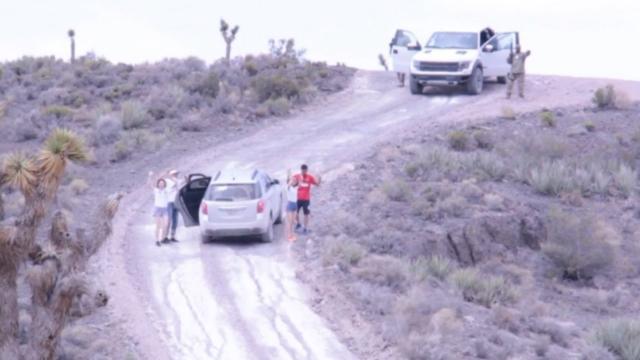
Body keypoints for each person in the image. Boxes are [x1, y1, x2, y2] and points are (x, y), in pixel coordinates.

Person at [293, 164, 321, 234]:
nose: (304, 172)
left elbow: (317, 184)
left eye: (305, 171)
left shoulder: (310, 177)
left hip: (306, 199)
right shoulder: (297, 176)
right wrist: (294, 182)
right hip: (298, 198)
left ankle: (305, 228)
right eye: (303, 171)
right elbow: (292, 184)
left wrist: (319, 179)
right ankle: (298, 224)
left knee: (306, 214)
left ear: (307, 170)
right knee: (295, 212)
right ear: (301, 170)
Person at [148, 171, 169, 247]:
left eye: (162, 183)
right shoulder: (156, 190)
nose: (161, 184)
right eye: (160, 183)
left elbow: (176, 185)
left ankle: (162, 238)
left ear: (164, 184)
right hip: (158, 209)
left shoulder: (166, 190)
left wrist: (166, 174)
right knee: (158, 225)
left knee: (165, 225)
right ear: (158, 184)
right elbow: (149, 185)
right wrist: (150, 176)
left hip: (165, 209)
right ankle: (157, 240)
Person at [164, 169, 183, 242]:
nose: (176, 175)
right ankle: (165, 236)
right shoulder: (167, 181)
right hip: (169, 202)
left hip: (176, 202)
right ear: (171, 174)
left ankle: (173, 236)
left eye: (176, 174)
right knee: (168, 219)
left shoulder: (178, 181)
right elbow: (173, 186)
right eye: (174, 174)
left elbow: (182, 184)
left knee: (175, 220)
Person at [285, 176, 299, 242]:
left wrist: (295, 180)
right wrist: (290, 181)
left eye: (294, 181)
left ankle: (292, 235)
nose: (293, 182)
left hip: (295, 205)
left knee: (293, 221)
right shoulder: (288, 188)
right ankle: (289, 236)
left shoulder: (295, 188)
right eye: (291, 181)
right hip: (290, 205)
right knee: (290, 221)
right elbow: (289, 185)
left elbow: (298, 182)